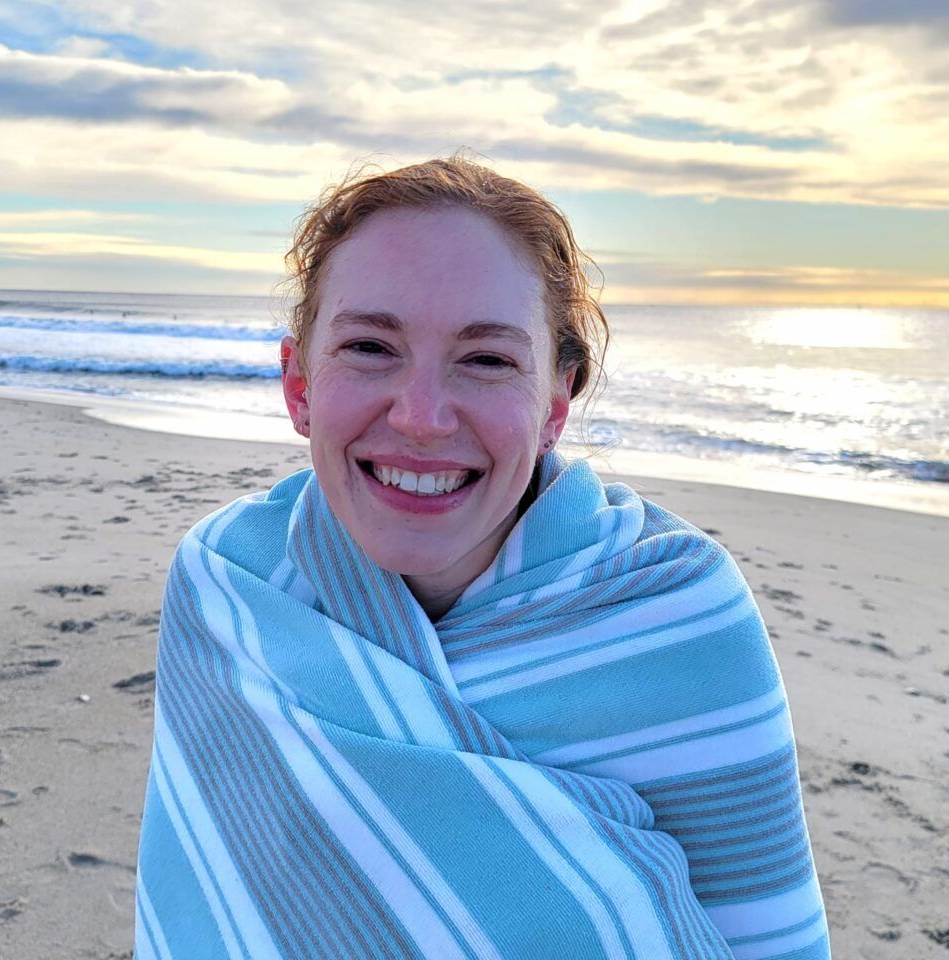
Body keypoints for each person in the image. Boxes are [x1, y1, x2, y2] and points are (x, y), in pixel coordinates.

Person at [134, 156, 830, 959]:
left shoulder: (681, 623)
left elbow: (773, 943)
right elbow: (206, 903)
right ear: (299, 386)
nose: (423, 418)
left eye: (488, 359)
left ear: (555, 404)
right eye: (369, 346)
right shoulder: (230, 583)